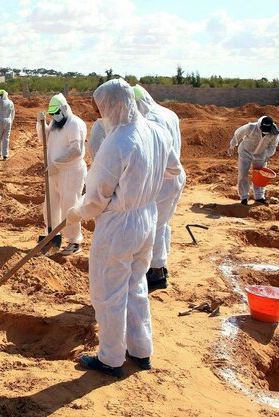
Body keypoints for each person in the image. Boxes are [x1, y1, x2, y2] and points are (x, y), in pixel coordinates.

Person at [65, 79, 183, 377]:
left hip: (119, 226)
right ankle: (141, 350)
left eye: (101, 107)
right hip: (147, 219)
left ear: (112, 106)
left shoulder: (116, 142)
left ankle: (110, 358)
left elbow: (96, 199)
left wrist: (75, 213)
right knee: (136, 285)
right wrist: (145, 184)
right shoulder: (156, 132)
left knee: (109, 293)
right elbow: (173, 169)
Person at [134, 85, 186, 291]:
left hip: (164, 180)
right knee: (163, 224)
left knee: (154, 225)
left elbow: (159, 154)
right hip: (175, 177)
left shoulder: (153, 120)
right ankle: (161, 266)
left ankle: (155, 273)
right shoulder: (168, 113)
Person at [40, 93, 87, 256]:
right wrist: (41, 126)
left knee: (69, 205)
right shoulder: (54, 123)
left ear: (65, 109)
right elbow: (45, 141)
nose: (55, 116)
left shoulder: (74, 124)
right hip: (54, 172)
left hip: (71, 171)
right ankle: (52, 235)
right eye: (52, 113)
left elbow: (76, 150)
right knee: (50, 206)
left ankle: (74, 241)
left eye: (57, 112)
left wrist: (57, 164)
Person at [228, 116, 279, 206]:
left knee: (260, 176)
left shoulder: (275, 133)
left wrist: (267, 155)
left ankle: (259, 197)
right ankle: (244, 197)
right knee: (243, 174)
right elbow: (238, 133)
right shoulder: (251, 127)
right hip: (245, 152)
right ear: (260, 126)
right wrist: (232, 145)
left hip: (261, 155)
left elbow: (272, 146)